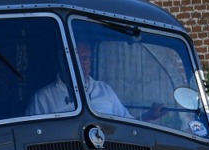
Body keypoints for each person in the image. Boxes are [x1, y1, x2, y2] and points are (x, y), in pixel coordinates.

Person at [27, 41, 161, 120]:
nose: (79, 64)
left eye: (85, 59)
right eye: (74, 59)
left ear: (90, 62)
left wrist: (148, 115)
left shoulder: (104, 90)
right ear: (64, 61)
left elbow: (127, 123)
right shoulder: (43, 98)